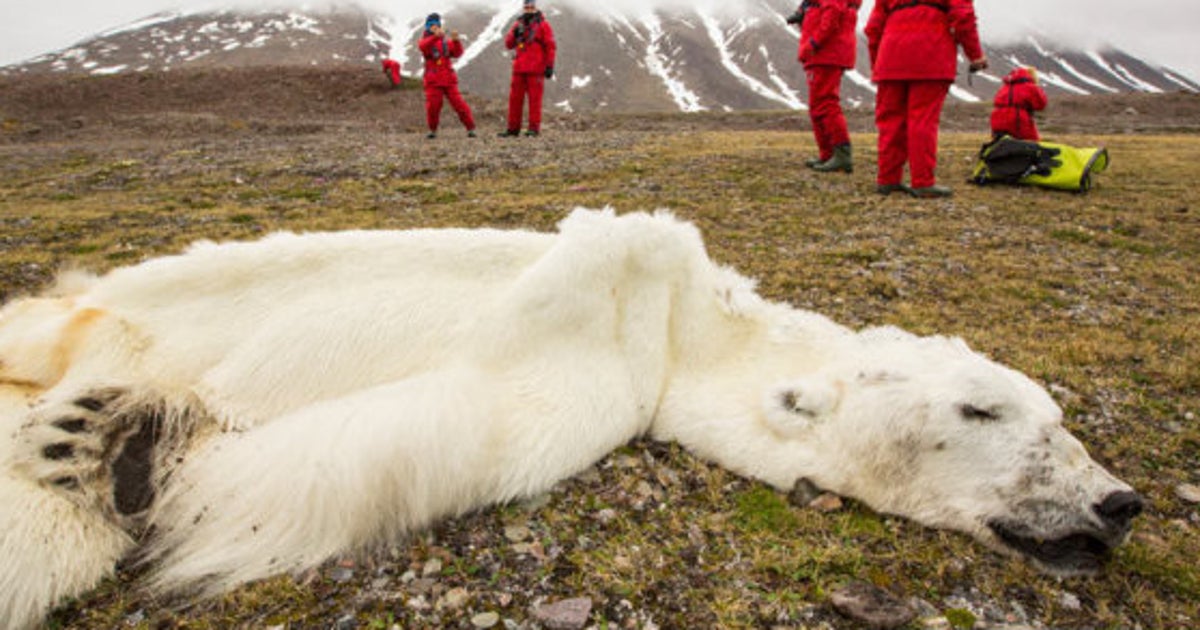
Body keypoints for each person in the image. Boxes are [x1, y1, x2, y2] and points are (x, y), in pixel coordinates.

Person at [865, 0, 987, 197]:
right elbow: (963, 16)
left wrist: (878, 63)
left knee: (890, 121)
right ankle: (922, 182)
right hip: (932, 54)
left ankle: (888, 179)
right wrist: (975, 55)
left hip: (890, 57)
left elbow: (873, 28)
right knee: (922, 119)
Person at [787, 0, 861, 173]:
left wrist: (813, 44)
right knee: (817, 105)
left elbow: (832, 16)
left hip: (827, 53)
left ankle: (841, 154)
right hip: (823, 54)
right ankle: (828, 154)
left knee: (826, 102)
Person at [500, 0, 556, 137]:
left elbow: (550, 46)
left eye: (531, 7)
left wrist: (549, 66)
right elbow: (508, 44)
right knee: (515, 100)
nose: (529, 9)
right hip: (519, 68)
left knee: (534, 100)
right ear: (523, 8)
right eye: (526, 7)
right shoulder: (518, 24)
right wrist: (515, 34)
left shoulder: (543, 25)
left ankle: (533, 129)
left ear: (535, 8)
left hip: (536, 69)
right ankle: (513, 129)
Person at [418, 13, 477, 139]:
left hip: (449, 80)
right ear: (427, 27)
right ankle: (433, 130)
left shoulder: (445, 42)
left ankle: (470, 128)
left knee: (459, 104)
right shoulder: (425, 40)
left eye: (436, 25)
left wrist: (456, 41)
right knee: (433, 107)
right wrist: (435, 36)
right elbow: (423, 46)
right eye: (431, 25)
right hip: (433, 80)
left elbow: (457, 53)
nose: (434, 27)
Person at [990, 66, 1047, 141]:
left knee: (999, 144)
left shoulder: (1005, 87)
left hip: (997, 120)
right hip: (1018, 120)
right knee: (1031, 144)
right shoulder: (1030, 87)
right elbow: (1041, 104)